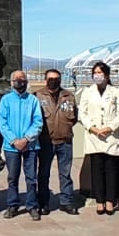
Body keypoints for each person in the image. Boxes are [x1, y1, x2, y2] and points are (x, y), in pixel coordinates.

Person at [78, 62, 119, 216]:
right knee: (96, 169)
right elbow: (82, 113)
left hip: (110, 135)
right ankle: (99, 200)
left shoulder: (116, 92)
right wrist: (92, 128)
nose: (97, 75)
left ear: (107, 75)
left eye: (100, 73)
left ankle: (110, 200)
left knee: (111, 169)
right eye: (95, 73)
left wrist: (110, 128)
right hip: (94, 135)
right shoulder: (87, 92)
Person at [0, 70, 44, 220]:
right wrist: (14, 141)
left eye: (22, 79)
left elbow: (38, 122)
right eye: (17, 79)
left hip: (30, 146)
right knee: (12, 177)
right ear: (11, 82)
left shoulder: (33, 100)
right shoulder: (6, 100)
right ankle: (13, 205)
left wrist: (26, 139)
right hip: (11, 147)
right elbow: (2, 123)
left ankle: (32, 205)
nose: (20, 81)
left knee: (31, 178)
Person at [36, 68, 80, 216]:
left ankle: (66, 202)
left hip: (65, 140)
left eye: (56, 78)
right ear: (45, 80)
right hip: (45, 142)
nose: (53, 81)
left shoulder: (68, 96)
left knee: (65, 173)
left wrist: (63, 127)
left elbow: (74, 117)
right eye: (50, 78)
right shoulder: (37, 96)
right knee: (43, 173)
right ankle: (43, 203)